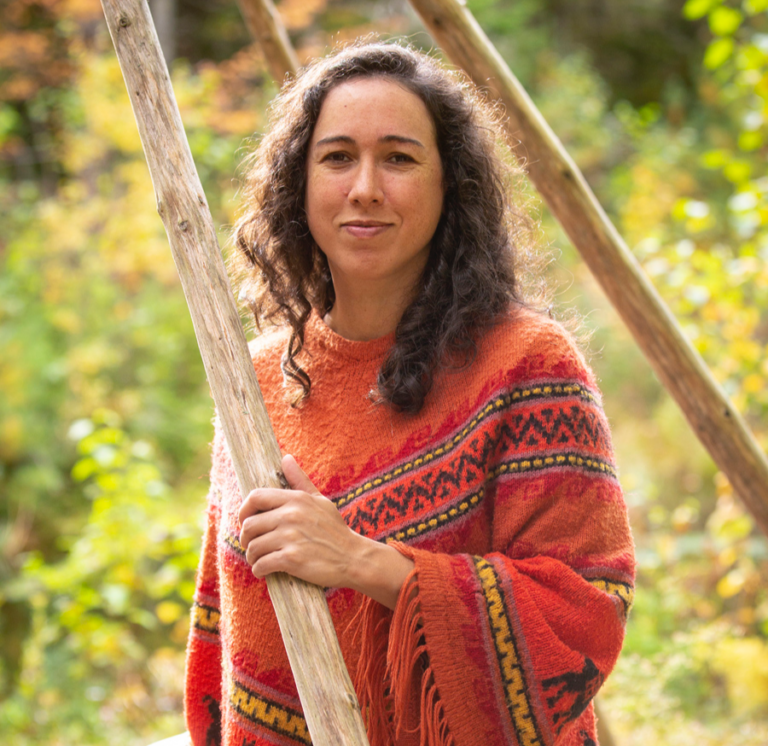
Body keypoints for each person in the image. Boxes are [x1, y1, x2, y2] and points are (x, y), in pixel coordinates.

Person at [184, 41, 635, 746]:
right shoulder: (254, 382)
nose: (364, 187)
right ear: (297, 184)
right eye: (337, 157)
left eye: (398, 158)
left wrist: (360, 562)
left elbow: (585, 611)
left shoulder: (527, 367)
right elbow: (225, 640)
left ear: (449, 183)